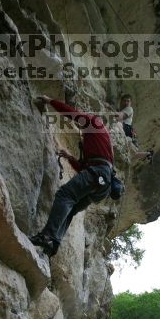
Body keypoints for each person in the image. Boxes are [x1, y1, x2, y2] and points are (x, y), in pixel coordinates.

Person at [30, 96, 114, 256]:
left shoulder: (94, 123)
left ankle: (47, 236)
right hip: (103, 185)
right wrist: (70, 158)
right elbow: (84, 169)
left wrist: (49, 100)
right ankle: (54, 242)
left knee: (65, 194)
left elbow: (72, 113)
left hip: (98, 173)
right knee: (73, 207)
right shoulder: (100, 141)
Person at [117, 94, 153, 162]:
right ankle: (148, 154)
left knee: (117, 125)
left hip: (125, 128)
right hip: (128, 130)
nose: (126, 103)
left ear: (130, 103)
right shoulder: (122, 110)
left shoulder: (129, 109)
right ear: (121, 102)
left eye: (128, 101)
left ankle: (148, 153)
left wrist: (110, 109)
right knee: (132, 153)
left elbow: (120, 117)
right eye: (124, 101)